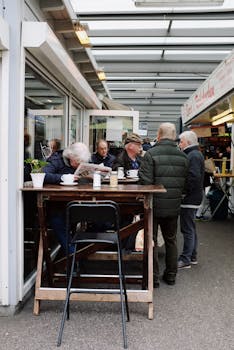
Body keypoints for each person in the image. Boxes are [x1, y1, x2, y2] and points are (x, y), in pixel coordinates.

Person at [138, 123, 188, 287]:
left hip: (153, 205)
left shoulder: (150, 154)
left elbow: (145, 182)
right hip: (173, 205)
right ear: (174, 137)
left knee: (151, 239)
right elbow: (186, 184)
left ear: (158, 135)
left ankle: (153, 278)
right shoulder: (183, 157)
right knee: (171, 240)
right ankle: (171, 275)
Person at [43, 142, 91, 253]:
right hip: (57, 204)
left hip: (75, 203)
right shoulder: (56, 160)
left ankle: (81, 252)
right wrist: (63, 177)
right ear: (70, 156)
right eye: (78, 162)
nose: (79, 165)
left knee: (98, 218)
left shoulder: (80, 161)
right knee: (58, 221)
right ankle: (74, 255)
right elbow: (44, 175)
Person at [178, 130, 204, 269]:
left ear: (187, 142)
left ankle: (186, 259)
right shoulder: (196, 154)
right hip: (195, 197)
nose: (180, 144)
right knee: (191, 228)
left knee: (187, 229)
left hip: (190, 198)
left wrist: (184, 192)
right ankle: (192, 256)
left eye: (181, 141)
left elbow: (193, 177)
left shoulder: (192, 155)